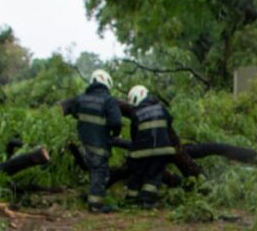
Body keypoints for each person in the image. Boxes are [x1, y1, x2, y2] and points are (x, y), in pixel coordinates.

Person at [66, 69, 122, 213]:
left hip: (84, 142)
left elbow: (73, 112)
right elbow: (116, 122)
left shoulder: (81, 98)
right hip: (99, 142)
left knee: (93, 170)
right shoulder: (108, 100)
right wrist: (115, 133)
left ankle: (92, 196)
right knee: (100, 171)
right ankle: (96, 205)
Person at [125, 85, 176, 209]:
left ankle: (131, 199)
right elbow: (169, 122)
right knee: (153, 175)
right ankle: (147, 200)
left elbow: (134, 134)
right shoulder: (162, 109)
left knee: (138, 173)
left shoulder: (136, 113)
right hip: (162, 150)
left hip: (141, 152)